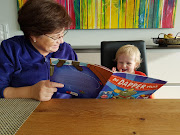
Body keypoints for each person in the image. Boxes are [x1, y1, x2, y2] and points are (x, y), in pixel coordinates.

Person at [0, 0, 77, 101]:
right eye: (55, 37)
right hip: (26, 110)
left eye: (62, 34)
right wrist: (31, 92)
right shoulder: (11, 49)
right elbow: (1, 89)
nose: (61, 41)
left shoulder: (66, 50)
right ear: (33, 35)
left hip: (66, 109)